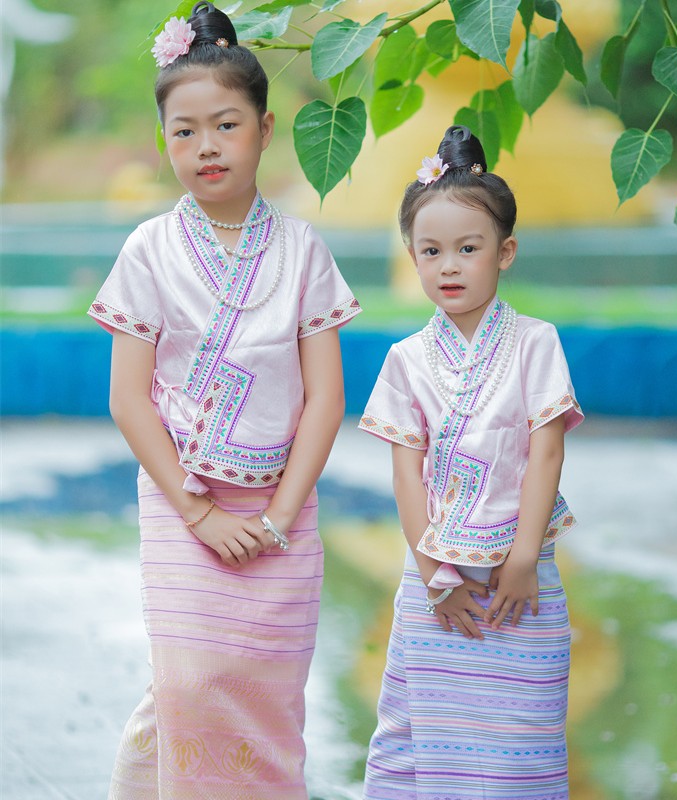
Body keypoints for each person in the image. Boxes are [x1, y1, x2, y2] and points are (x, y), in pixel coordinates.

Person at [88, 3, 361, 797]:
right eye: (184, 130)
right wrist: (199, 510)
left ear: (266, 130)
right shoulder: (147, 250)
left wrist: (279, 514)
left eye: (226, 124)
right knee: (189, 682)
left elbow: (325, 399)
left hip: (283, 508)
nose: (206, 146)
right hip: (184, 505)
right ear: (164, 137)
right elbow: (129, 398)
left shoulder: (305, 250)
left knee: (262, 693)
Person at [358, 125, 583, 799]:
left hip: (522, 574)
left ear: (504, 252)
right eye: (431, 251)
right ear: (411, 257)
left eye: (468, 248)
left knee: (521, 741)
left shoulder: (537, 343)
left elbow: (547, 448)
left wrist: (518, 560)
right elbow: (405, 470)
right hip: (436, 580)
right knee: (422, 738)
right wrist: (434, 574)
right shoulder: (405, 359)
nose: (449, 265)